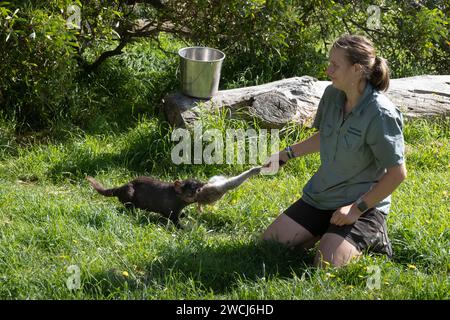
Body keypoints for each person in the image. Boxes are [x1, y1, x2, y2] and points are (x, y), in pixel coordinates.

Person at [262, 34, 407, 268]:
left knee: (325, 264)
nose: (328, 70)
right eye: (329, 62)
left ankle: (373, 236)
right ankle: (329, 231)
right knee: (271, 242)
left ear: (358, 70)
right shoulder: (332, 95)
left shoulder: (381, 114)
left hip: (362, 204)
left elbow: (397, 173)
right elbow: (325, 136)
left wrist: (356, 208)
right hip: (324, 194)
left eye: (335, 65)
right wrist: (285, 154)